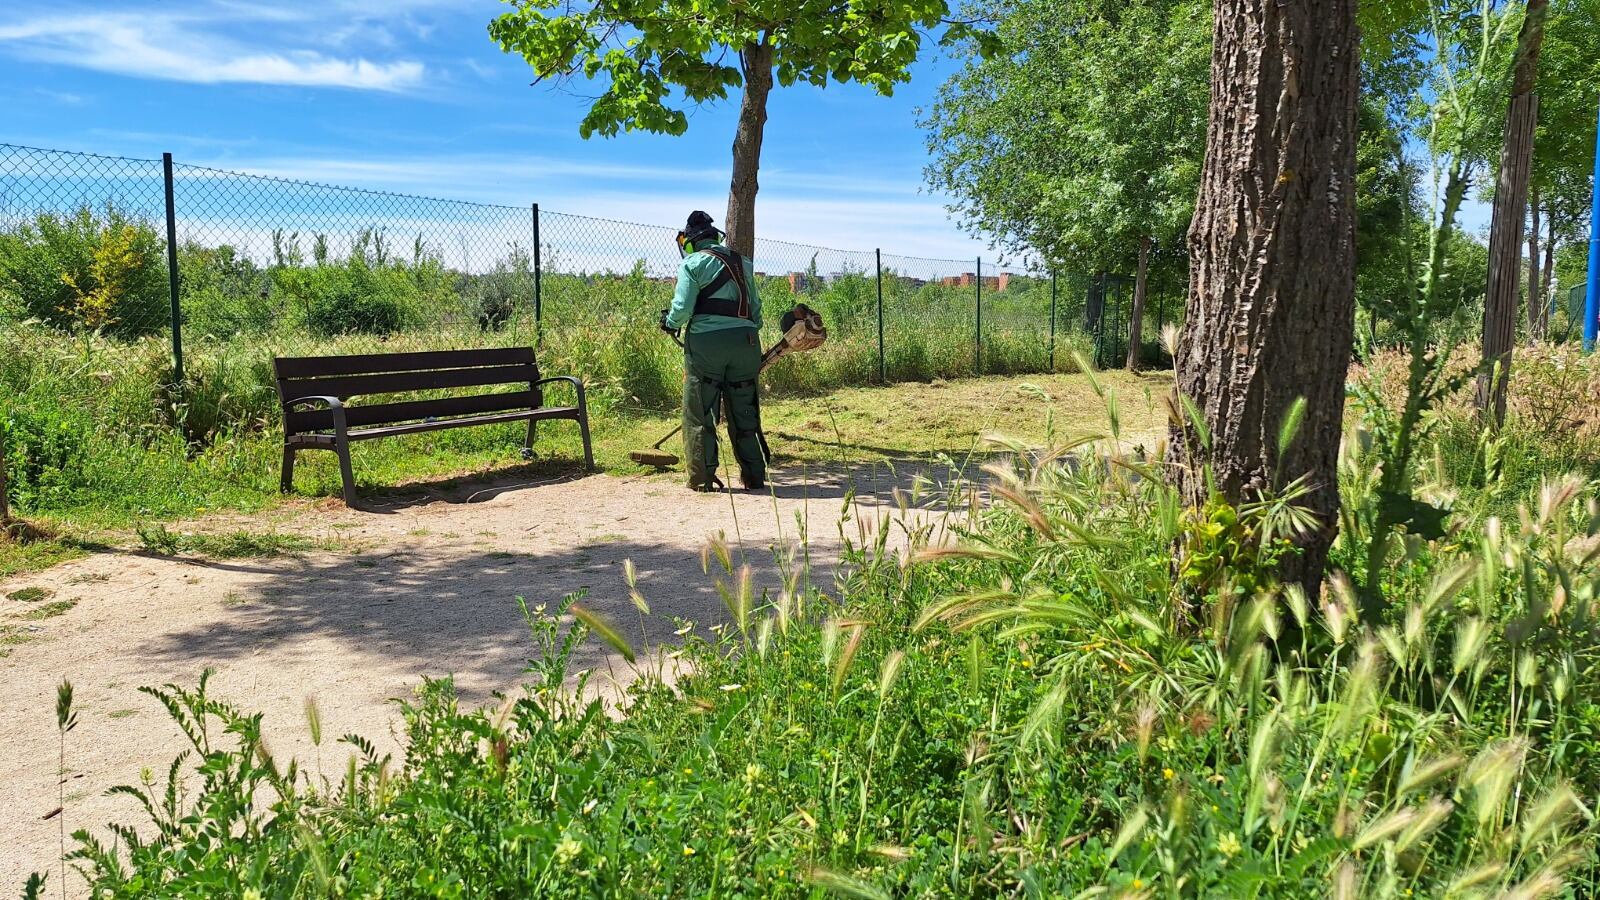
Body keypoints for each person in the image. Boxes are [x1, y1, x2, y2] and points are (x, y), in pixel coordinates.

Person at [660, 211, 766, 491]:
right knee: (745, 409)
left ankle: (702, 478)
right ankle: (754, 475)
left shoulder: (692, 263)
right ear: (715, 236)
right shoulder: (743, 263)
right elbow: (756, 311)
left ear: (691, 241)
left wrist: (669, 323)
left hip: (707, 345)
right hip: (746, 343)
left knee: (699, 412)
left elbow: (681, 310)